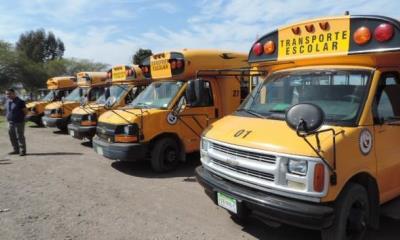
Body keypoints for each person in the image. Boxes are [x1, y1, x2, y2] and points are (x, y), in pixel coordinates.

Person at [5, 89, 27, 156]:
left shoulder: (20, 101)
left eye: (9, 93)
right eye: (7, 94)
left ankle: (22, 150)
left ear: (14, 93)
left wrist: (22, 118)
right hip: (10, 122)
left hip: (19, 122)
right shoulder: (8, 101)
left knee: (20, 136)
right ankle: (16, 150)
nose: (8, 95)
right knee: (12, 137)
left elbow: (25, 111)